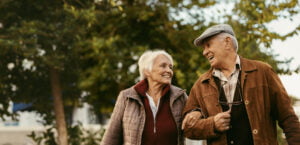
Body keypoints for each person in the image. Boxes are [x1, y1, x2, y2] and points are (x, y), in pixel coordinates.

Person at [181, 24, 300, 145]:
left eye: (208, 45)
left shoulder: (263, 71)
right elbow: (187, 129)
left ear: (227, 42)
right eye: (203, 48)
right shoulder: (200, 85)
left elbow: (288, 118)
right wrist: (212, 125)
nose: (204, 52)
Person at [101, 50, 187, 145]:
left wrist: (197, 113)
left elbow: (197, 117)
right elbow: (111, 138)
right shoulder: (127, 97)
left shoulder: (180, 96)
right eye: (163, 66)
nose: (169, 71)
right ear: (147, 71)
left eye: (170, 67)